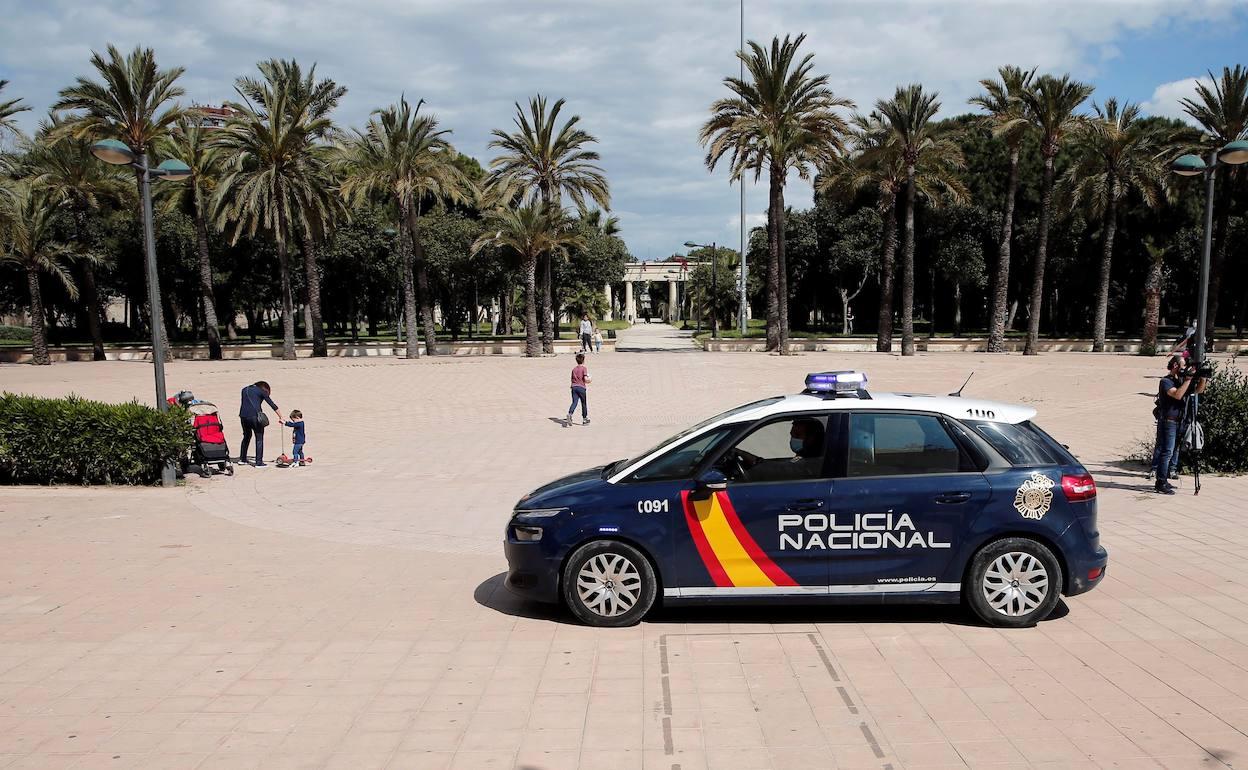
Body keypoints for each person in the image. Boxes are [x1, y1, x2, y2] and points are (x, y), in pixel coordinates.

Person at [1150, 356, 1205, 494]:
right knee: (1167, 451)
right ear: (1175, 365)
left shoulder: (1179, 381)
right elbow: (1178, 395)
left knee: (1174, 450)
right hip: (1168, 421)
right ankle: (1160, 482)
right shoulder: (1166, 381)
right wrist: (1187, 380)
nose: (1185, 368)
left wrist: (1203, 377)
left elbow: (1198, 391)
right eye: (1183, 365)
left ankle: (1165, 479)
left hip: (1180, 421)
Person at [239, 380, 281, 467]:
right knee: (259, 438)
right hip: (255, 417)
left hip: (243, 416)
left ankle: (242, 459)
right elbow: (272, 404)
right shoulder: (261, 391)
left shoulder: (244, 389)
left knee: (246, 437)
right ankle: (259, 462)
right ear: (264, 387)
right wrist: (281, 417)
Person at [565, 352, 591, 427]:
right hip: (581, 387)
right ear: (583, 360)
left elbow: (572, 379)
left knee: (574, 402)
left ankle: (570, 414)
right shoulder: (584, 368)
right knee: (583, 403)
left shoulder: (574, 369)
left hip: (574, 387)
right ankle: (585, 419)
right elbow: (585, 379)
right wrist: (589, 380)